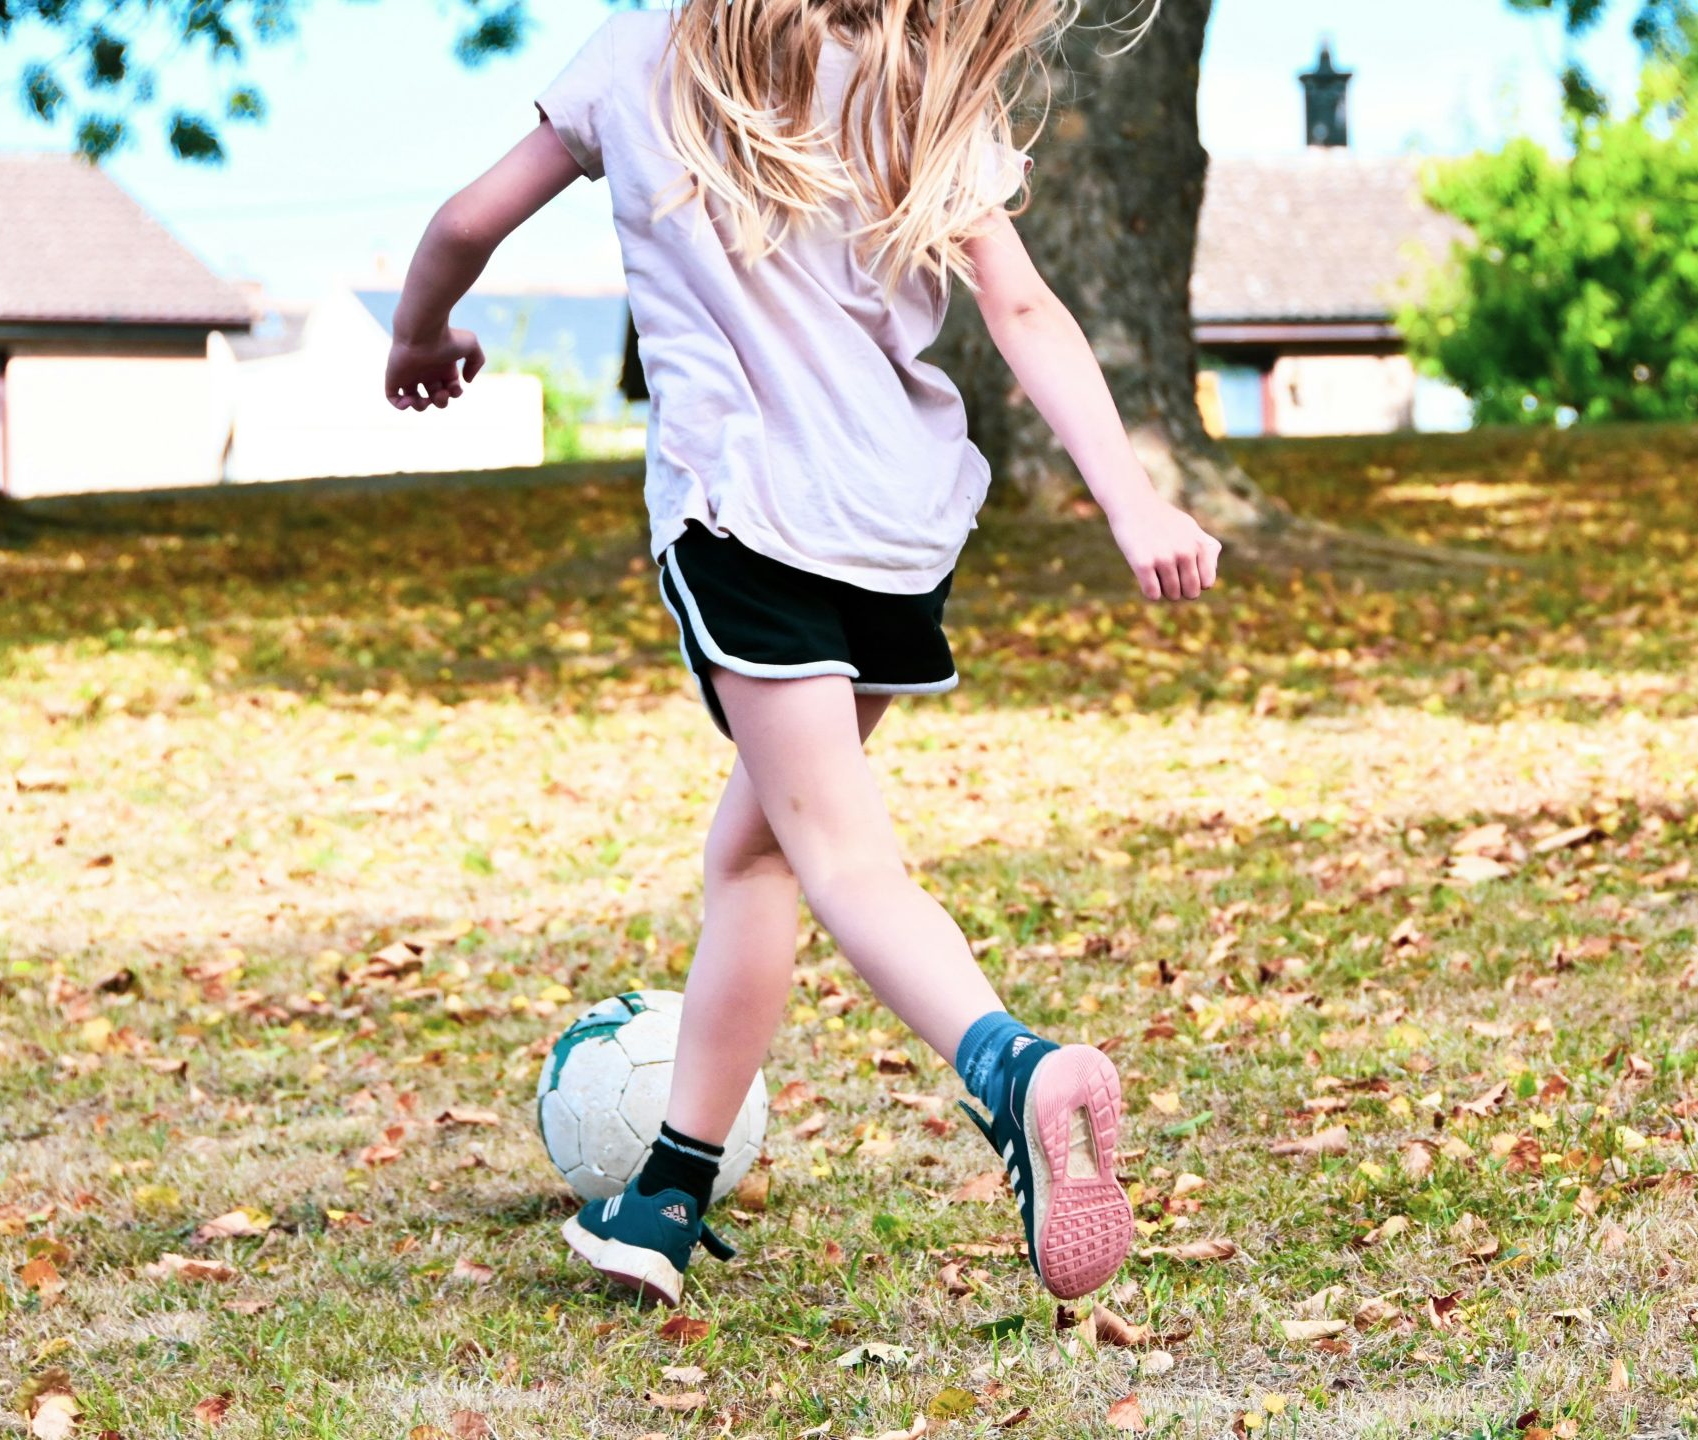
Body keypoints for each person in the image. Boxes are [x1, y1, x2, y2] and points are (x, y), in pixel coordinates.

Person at [381, 0, 1220, 1308]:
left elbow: (464, 223)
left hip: (752, 520)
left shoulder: (645, 48)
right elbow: (1023, 304)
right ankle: (664, 1197)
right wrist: (1131, 498)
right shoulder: (920, 76)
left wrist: (420, 335)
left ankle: (1013, 1067)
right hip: (900, 529)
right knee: (757, 846)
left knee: (836, 857)